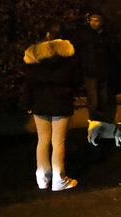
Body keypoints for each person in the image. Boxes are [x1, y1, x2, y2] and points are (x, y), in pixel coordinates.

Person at [23, 23, 82, 191]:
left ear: (47, 35)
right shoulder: (68, 56)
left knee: (42, 140)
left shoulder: (34, 56)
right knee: (58, 142)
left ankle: (42, 178)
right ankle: (59, 180)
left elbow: (28, 83)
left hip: (39, 102)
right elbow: (77, 79)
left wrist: (28, 103)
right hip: (61, 102)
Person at [72, 12, 121, 125]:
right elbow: (79, 52)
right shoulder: (85, 35)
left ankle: (102, 121)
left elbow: (113, 52)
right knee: (94, 100)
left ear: (101, 22)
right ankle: (94, 122)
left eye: (96, 21)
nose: (93, 23)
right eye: (92, 20)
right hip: (90, 72)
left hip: (103, 72)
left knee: (103, 99)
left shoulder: (105, 36)